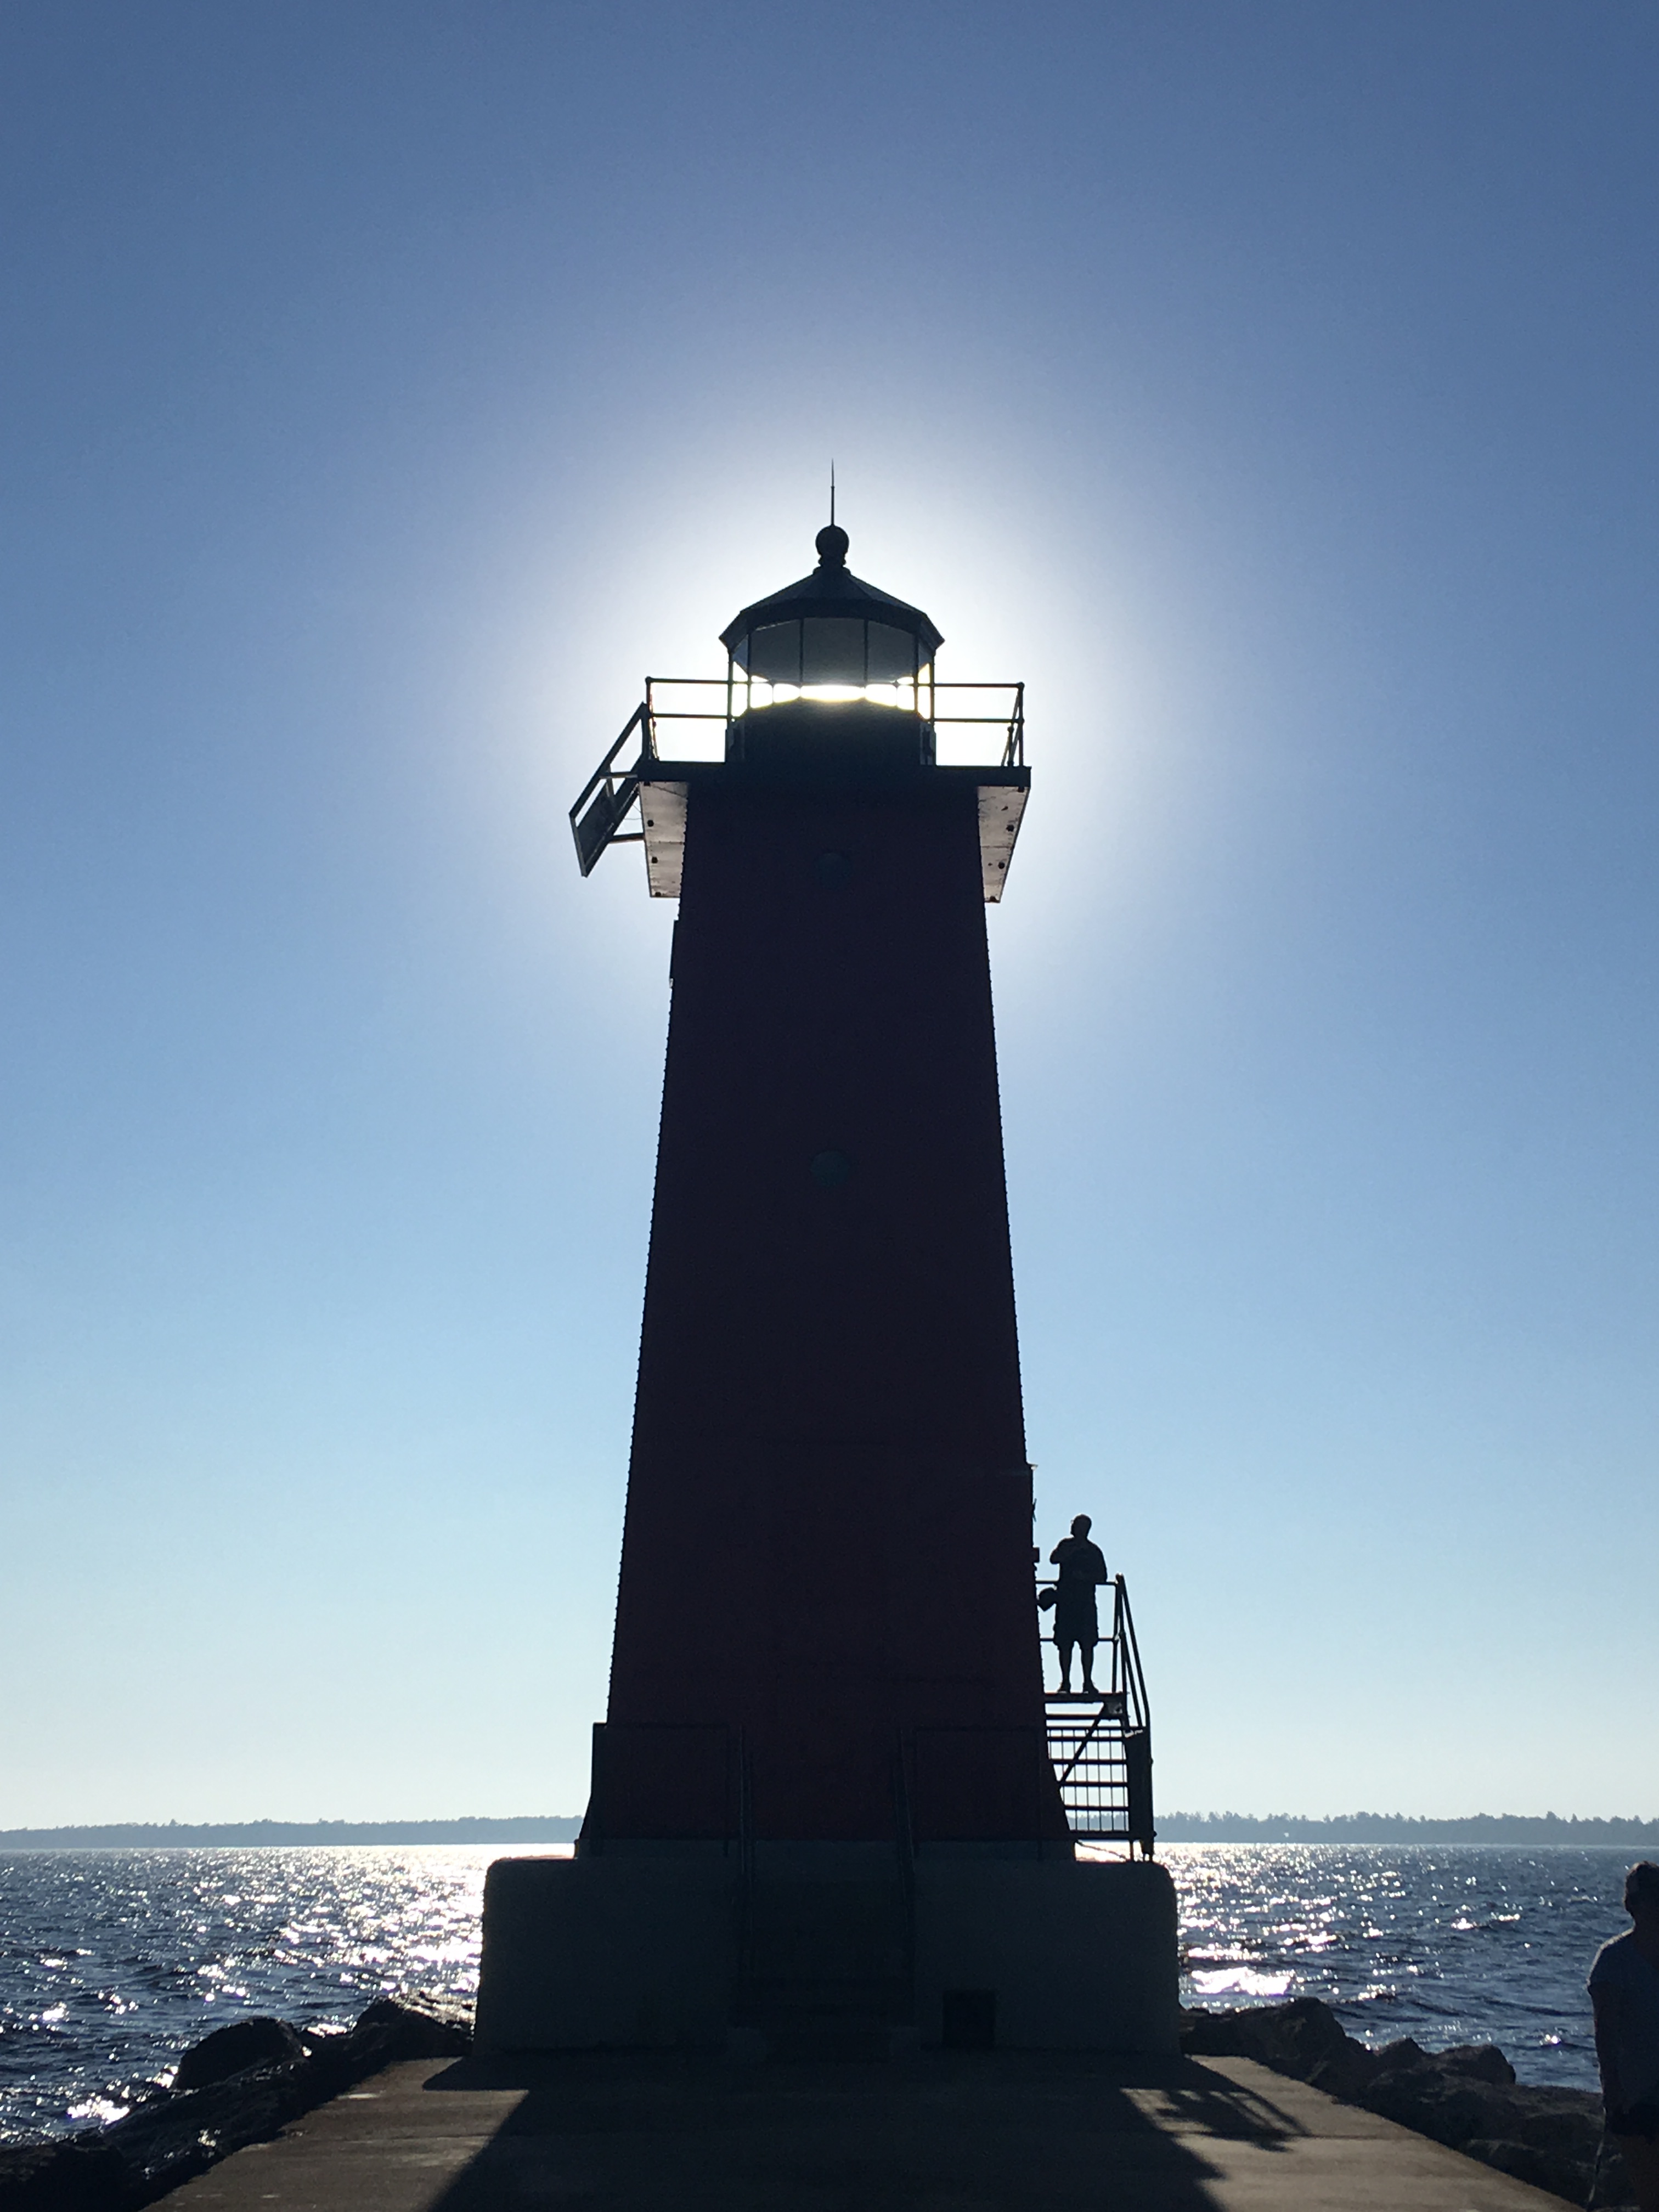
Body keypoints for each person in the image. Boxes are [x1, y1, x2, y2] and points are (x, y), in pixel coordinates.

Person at [1590, 1860, 1659, 2212]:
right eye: (1648, 1900)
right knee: (1649, 2188)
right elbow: (1606, 2032)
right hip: (1635, 2093)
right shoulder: (1614, 1960)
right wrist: (1612, 2087)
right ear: (1633, 1906)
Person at [1047, 1514, 1109, 1694]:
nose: (1073, 1527)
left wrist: (1085, 1577)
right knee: (1064, 1644)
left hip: (1085, 1604)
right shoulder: (1066, 1545)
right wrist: (1072, 1551)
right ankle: (1065, 1683)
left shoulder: (1093, 1551)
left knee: (1087, 1644)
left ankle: (1088, 1682)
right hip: (1066, 1602)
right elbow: (1054, 1559)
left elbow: (1103, 1576)